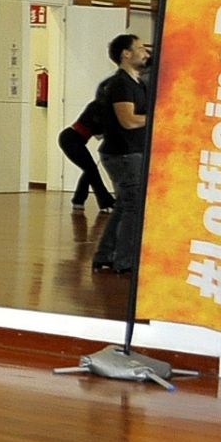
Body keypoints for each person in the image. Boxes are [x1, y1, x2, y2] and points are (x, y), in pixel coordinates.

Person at [92, 33, 151, 274]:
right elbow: (128, 120)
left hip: (131, 152)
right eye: (140, 48)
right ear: (126, 54)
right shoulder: (120, 84)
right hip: (123, 154)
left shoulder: (138, 84)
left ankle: (105, 255)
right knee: (134, 207)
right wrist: (156, 118)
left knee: (124, 206)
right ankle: (124, 261)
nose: (146, 53)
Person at [59, 97, 115, 211]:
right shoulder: (99, 108)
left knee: (90, 170)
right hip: (71, 139)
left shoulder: (97, 106)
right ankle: (105, 201)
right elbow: (98, 135)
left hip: (72, 138)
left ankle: (79, 201)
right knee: (91, 170)